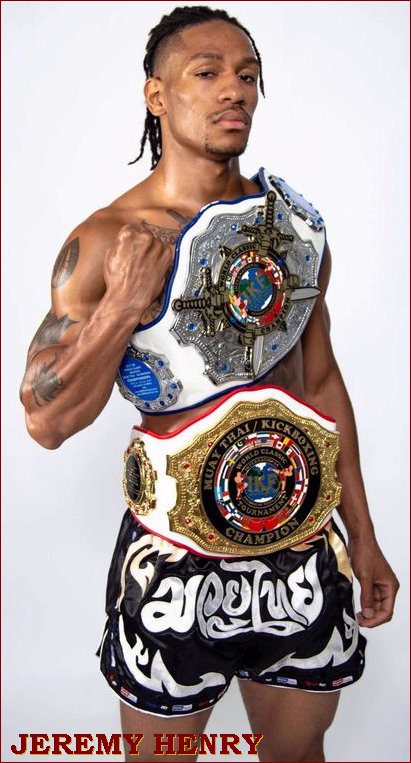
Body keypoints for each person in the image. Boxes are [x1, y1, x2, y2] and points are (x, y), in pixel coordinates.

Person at [20, 6, 399, 762]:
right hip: (173, 560)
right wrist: (123, 306)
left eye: (248, 75)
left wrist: (364, 536)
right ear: (156, 95)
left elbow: (321, 382)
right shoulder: (107, 239)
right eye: (208, 72)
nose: (235, 90)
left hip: (301, 551)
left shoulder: (293, 231)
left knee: (297, 755)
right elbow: (46, 421)